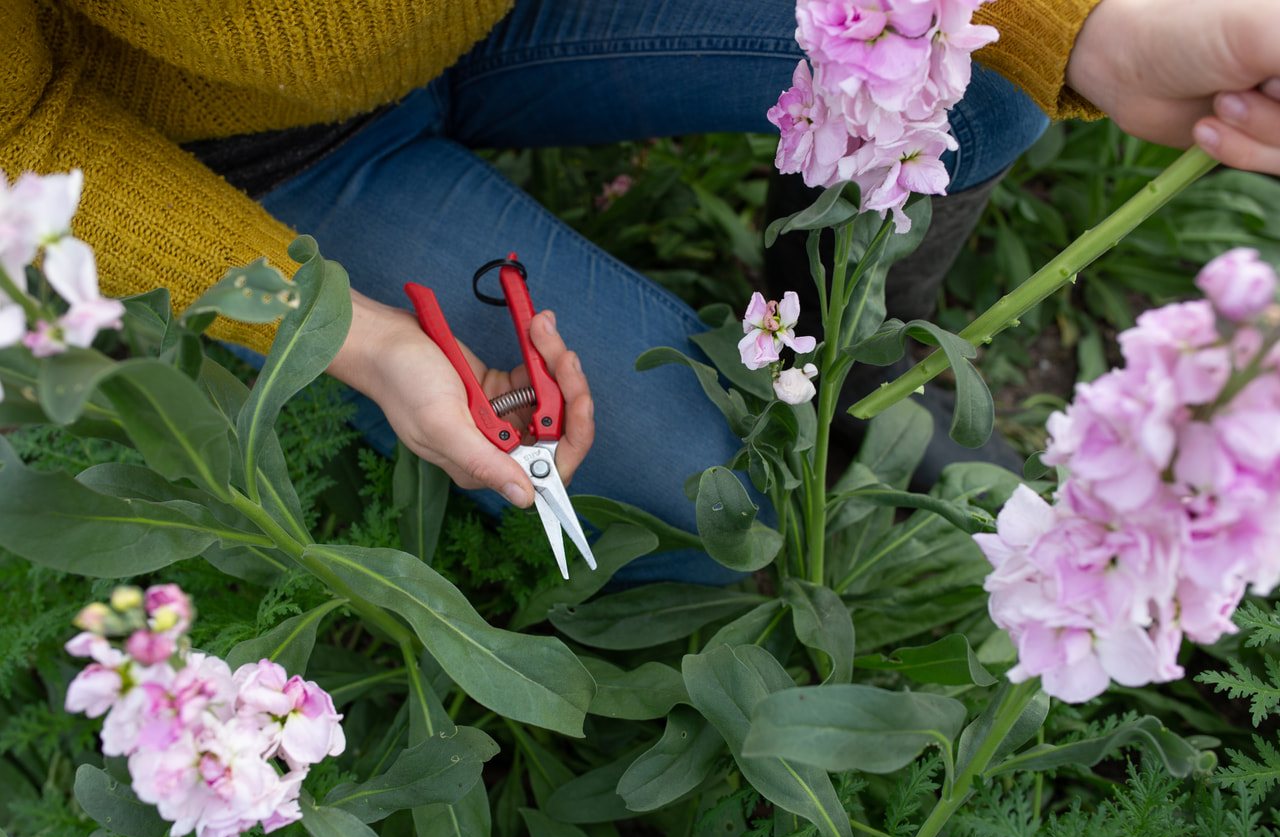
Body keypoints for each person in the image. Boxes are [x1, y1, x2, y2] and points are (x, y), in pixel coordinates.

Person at [4, 0, 1280, 583]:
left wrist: (1094, 24)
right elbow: (19, 132)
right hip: (235, 152)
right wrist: (370, 344)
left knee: (967, 70)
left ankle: (840, 361)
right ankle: (796, 438)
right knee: (714, 505)